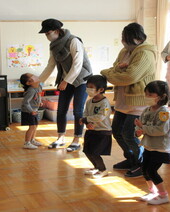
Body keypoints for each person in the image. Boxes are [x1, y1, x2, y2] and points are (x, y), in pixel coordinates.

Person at [101, 23, 157, 177]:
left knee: (129, 134)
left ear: (136, 38)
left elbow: (130, 77)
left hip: (138, 102)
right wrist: (115, 72)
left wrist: (107, 73)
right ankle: (131, 159)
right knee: (117, 132)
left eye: (126, 39)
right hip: (123, 100)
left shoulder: (145, 53)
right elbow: (115, 69)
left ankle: (141, 164)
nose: (123, 42)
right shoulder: (125, 51)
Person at [38, 19, 93, 152]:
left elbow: (77, 64)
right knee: (61, 110)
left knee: (78, 111)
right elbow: (50, 65)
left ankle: (76, 139)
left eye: (48, 33)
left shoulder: (74, 41)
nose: (47, 36)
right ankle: (61, 138)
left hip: (82, 80)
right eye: (45, 34)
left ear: (57, 31)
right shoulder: (53, 45)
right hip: (66, 79)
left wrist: (66, 81)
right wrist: (39, 82)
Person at [134, 80, 170, 205]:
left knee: (152, 171)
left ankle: (164, 195)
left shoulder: (163, 112)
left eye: (151, 95)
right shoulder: (146, 110)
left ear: (161, 97)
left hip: (161, 147)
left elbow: (161, 130)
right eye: (146, 94)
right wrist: (138, 131)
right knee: (144, 169)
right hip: (149, 145)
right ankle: (153, 192)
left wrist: (143, 128)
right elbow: (139, 124)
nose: (147, 97)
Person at [80, 75, 112, 179]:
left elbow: (101, 116)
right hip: (91, 130)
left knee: (95, 152)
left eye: (91, 87)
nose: (88, 89)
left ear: (101, 89)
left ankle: (103, 169)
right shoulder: (89, 102)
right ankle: (96, 167)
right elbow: (85, 113)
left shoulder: (105, 103)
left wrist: (87, 120)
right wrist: (87, 123)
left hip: (102, 132)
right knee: (87, 151)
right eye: (87, 86)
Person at [20, 73, 43, 149]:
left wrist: (39, 102)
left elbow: (37, 97)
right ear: (29, 83)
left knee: (35, 126)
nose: (35, 76)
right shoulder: (31, 90)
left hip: (34, 110)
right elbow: (25, 102)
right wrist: (31, 111)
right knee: (32, 126)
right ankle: (27, 143)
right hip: (28, 111)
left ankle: (32, 140)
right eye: (32, 76)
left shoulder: (39, 87)